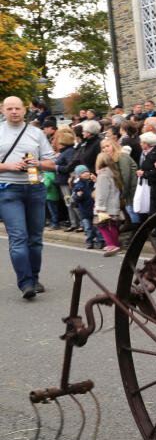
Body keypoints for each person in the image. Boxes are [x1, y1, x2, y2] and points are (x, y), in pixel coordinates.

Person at [0, 97, 57, 298]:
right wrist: (9, 166)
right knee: (18, 237)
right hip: (8, 189)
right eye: (10, 108)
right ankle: (25, 283)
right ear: (3, 110)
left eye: (17, 108)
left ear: (24, 110)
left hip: (35, 188)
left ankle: (33, 277)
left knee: (35, 238)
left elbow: (52, 164)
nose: (14, 112)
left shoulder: (36, 133)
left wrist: (37, 163)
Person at [93, 151, 122, 256]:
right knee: (112, 225)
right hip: (114, 205)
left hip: (105, 206)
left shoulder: (103, 174)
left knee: (101, 225)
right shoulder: (112, 172)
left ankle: (111, 245)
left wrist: (99, 207)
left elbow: (101, 192)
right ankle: (116, 245)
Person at [134, 131, 156, 226]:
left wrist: (144, 173)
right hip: (149, 185)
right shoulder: (145, 153)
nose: (140, 144)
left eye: (141, 142)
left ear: (147, 143)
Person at [54, 128, 79, 231]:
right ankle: (74, 223)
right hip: (63, 180)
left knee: (71, 202)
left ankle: (79, 223)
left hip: (66, 180)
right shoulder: (66, 151)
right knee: (68, 203)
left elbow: (70, 167)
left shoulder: (68, 152)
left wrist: (57, 168)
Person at [72, 165, 101, 251]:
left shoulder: (93, 181)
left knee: (98, 227)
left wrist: (96, 181)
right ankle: (89, 241)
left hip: (95, 208)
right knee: (87, 227)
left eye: (86, 171)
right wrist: (78, 196)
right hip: (84, 210)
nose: (86, 174)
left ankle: (100, 241)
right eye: (83, 173)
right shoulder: (78, 186)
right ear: (79, 175)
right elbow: (76, 199)